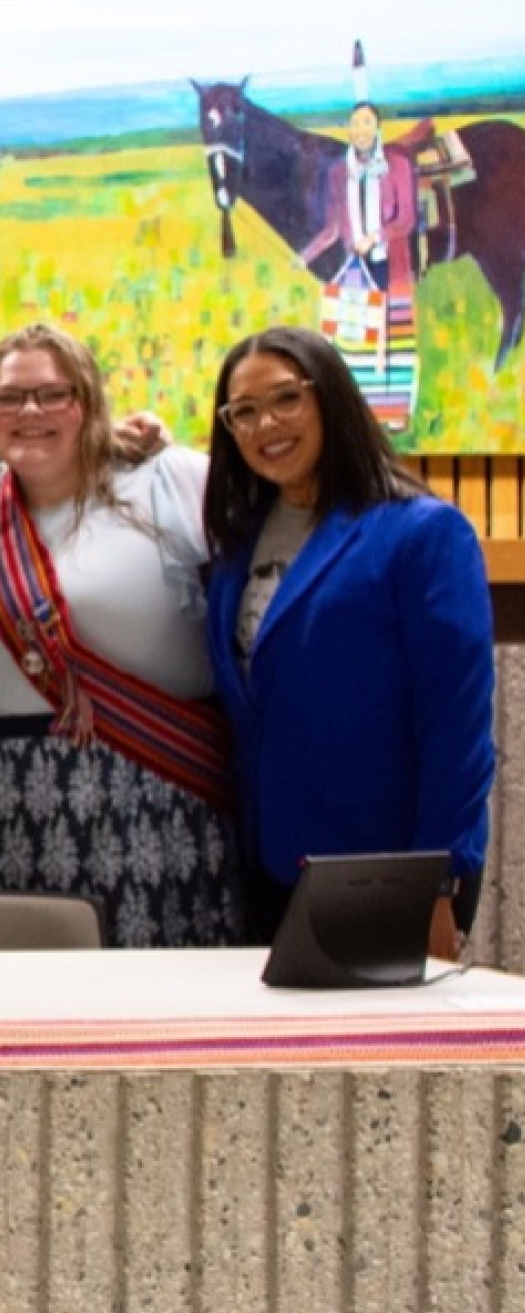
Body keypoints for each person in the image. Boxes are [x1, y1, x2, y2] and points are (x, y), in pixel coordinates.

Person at [0, 322, 242, 948]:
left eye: (53, 394)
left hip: (154, 799)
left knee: (153, 1005)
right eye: (9, 397)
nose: (30, 412)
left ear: (89, 402)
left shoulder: (168, 480)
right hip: (4, 806)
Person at [202, 325, 494, 957]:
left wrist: (438, 883)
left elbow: (456, 727)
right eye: (243, 412)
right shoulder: (238, 543)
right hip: (271, 863)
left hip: (388, 870)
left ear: (329, 396)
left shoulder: (423, 534)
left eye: (286, 399)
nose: (265, 425)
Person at [300, 101, 420, 362]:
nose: (361, 129)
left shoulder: (397, 165)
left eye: (367, 122)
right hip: (355, 269)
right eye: (355, 124)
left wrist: (374, 238)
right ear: (349, 131)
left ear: (378, 127)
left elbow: (407, 218)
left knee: (393, 335)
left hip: (388, 263)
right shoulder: (339, 173)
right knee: (356, 335)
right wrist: (304, 257)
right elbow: (332, 227)